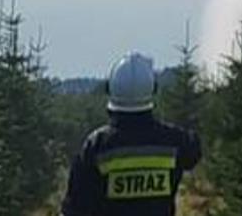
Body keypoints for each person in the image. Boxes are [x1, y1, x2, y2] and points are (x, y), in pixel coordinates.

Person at [61, 52, 203, 216]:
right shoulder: (174, 141)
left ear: (110, 89)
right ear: (153, 89)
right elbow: (194, 151)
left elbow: (74, 209)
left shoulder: (96, 145)